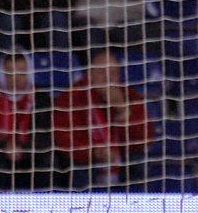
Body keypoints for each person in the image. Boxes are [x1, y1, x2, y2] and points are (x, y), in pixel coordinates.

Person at [52, 49, 155, 188]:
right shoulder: (72, 97)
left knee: (137, 161)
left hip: (121, 158)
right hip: (87, 160)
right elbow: (63, 138)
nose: (108, 78)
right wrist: (94, 152)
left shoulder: (130, 95)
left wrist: (123, 110)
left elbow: (145, 138)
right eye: (102, 72)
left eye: (113, 73)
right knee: (76, 166)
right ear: (90, 74)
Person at [0, 53, 55, 191]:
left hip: (32, 154)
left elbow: (45, 137)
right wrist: (4, 147)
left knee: (49, 162)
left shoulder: (42, 97)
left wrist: (23, 148)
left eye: (21, 73)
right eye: (10, 73)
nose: (15, 79)